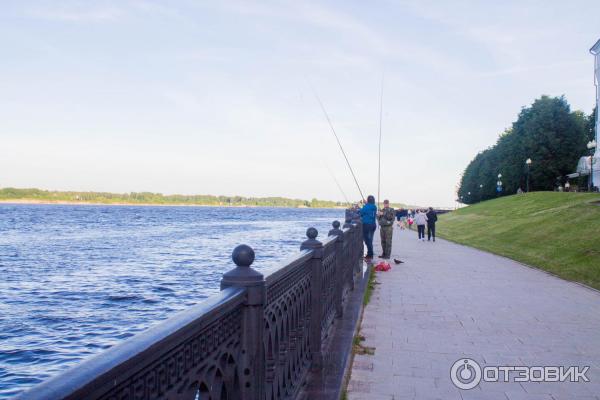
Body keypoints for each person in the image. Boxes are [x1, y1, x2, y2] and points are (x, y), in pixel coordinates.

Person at [359, 195, 377, 260]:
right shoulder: (374, 207)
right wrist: (366, 204)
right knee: (370, 239)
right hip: (373, 225)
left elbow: (360, 213)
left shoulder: (366, 207)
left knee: (367, 240)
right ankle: (370, 253)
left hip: (367, 225)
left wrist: (364, 205)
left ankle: (370, 254)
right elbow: (369, 207)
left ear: (368, 200)